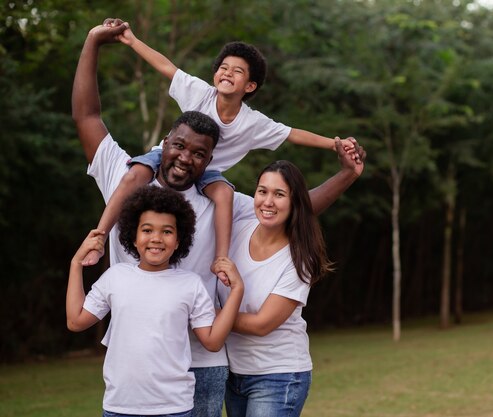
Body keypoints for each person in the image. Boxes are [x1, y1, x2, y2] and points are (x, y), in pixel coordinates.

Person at [72, 22, 365, 417]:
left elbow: (295, 208)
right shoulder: (125, 178)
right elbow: (87, 115)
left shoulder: (219, 196)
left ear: (211, 160)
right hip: (133, 366)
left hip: (202, 362)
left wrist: (346, 173)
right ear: (164, 144)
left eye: (198, 154)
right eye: (177, 147)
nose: (184, 158)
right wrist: (92, 42)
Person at [82, 18, 358, 286]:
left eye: (237, 71)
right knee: (134, 175)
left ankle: (221, 258)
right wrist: (131, 40)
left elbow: (293, 134)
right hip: (160, 157)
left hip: (207, 173)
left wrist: (334, 143)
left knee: (224, 194)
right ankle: (98, 235)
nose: (227, 72)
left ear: (250, 86)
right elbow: (166, 66)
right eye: (223, 67)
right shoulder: (200, 93)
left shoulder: (253, 122)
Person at [66, 185, 244, 416]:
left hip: (174, 407)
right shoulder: (116, 277)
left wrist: (237, 289)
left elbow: (212, 342)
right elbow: (75, 321)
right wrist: (75, 264)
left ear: (179, 240)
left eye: (167, 232)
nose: (156, 239)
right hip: (119, 407)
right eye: (147, 230)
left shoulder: (191, 284)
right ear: (134, 235)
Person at [216, 160, 332, 417]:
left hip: (278, 376)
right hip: (233, 373)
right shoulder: (238, 227)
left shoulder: (299, 258)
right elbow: (213, 186)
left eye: (279, 194)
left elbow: (261, 324)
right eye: (262, 191)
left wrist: (209, 315)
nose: (267, 201)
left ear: (294, 203)